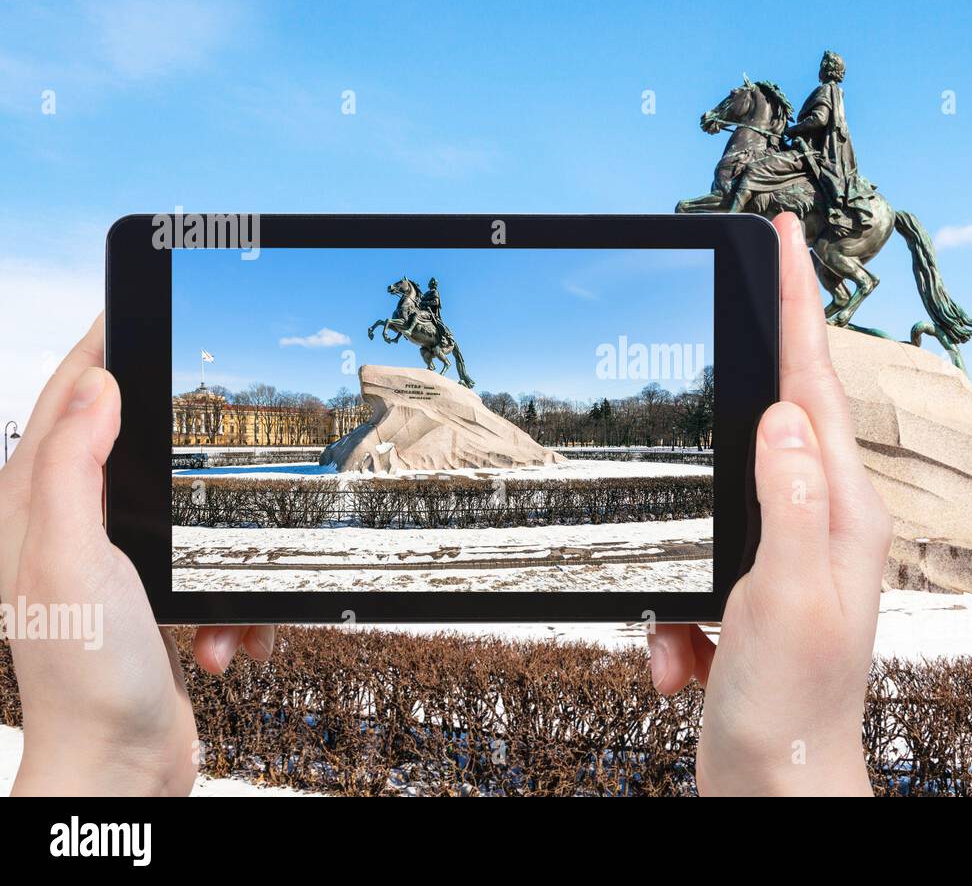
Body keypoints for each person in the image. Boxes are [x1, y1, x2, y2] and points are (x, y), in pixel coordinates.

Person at [0, 213, 890, 796]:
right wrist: (781, 767)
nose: (414, 305)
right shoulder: (408, 318)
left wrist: (106, 760)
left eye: (414, 302)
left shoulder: (430, 311)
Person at [727, 51, 875, 237]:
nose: (819, 70)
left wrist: (792, 130)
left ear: (826, 69)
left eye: (822, 65)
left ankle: (731, 221)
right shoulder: (836, 92)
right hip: (815, 152)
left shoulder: (825, 90)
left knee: (754, 169)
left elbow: (820, 119)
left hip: (810, 154)